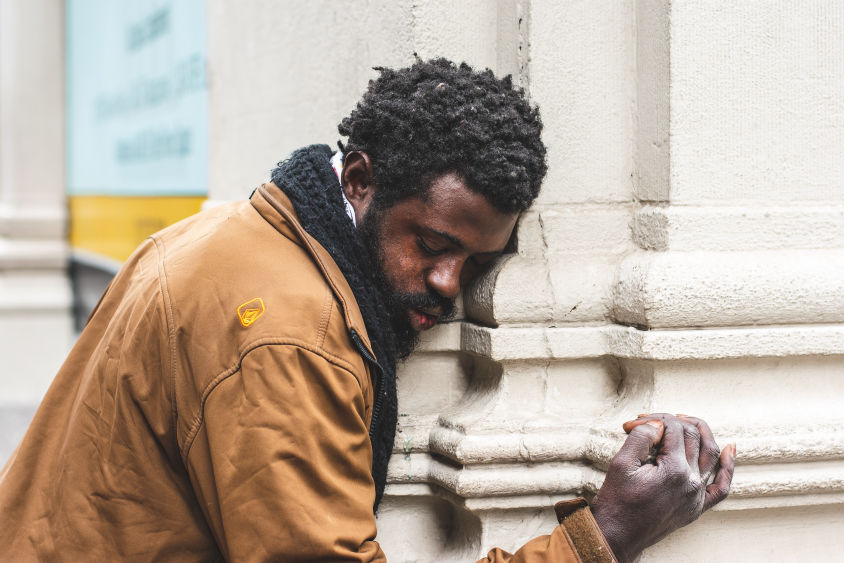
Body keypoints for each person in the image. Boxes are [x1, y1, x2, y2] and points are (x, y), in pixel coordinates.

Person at [0, 59, 734, 561]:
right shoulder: (291, 337)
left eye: (476, 264)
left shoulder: (233, 234)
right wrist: (599, 534)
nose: (448, 283)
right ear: (359, 179)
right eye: (432, 243)